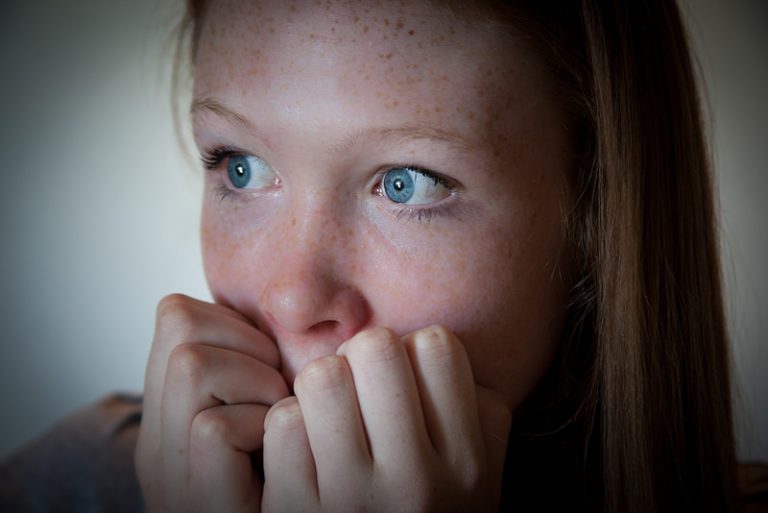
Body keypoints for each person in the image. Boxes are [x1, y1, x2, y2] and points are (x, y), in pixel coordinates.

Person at [2, 1, 765, 512]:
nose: (292, 299)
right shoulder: (64, 485)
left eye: (407, 183)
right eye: (240, 166)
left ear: (596, 225)